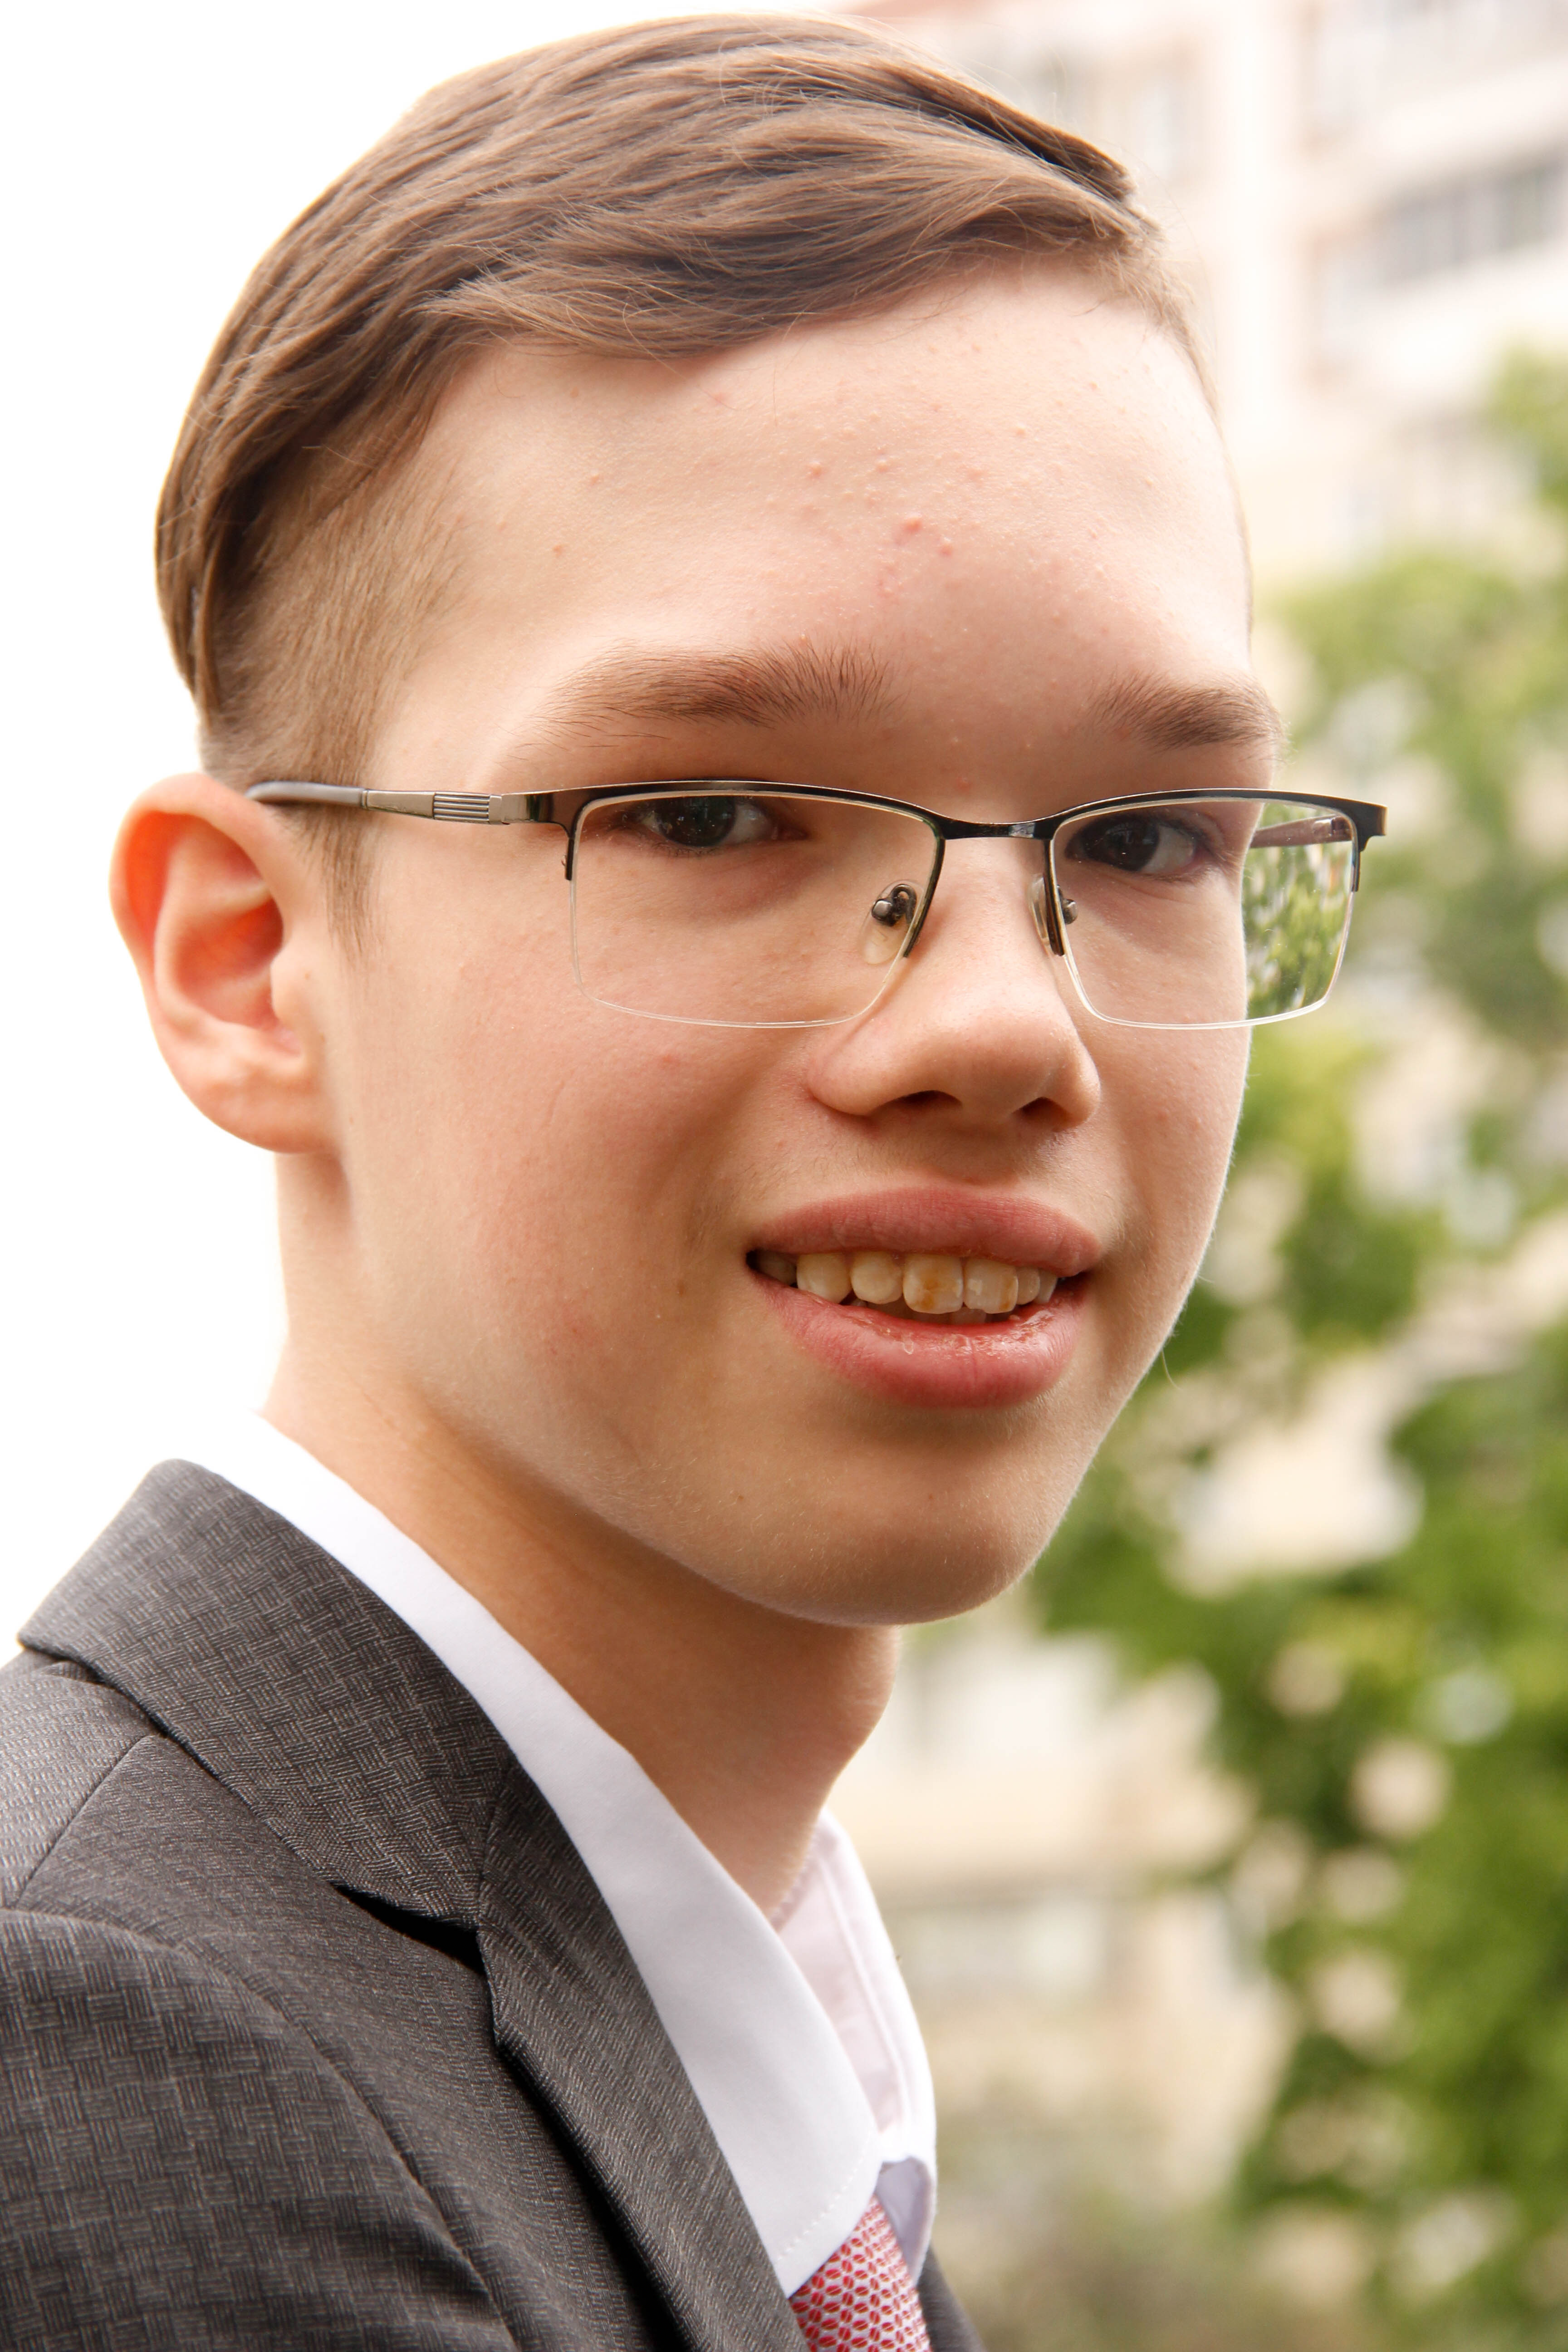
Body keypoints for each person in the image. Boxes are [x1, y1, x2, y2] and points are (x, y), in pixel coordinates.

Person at [0, 15, 1383, 2349]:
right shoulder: (110, 2057)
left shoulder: (745, 2091)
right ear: (250, 965)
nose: (1004, 1031)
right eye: (716, 816)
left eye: (1148, 837)